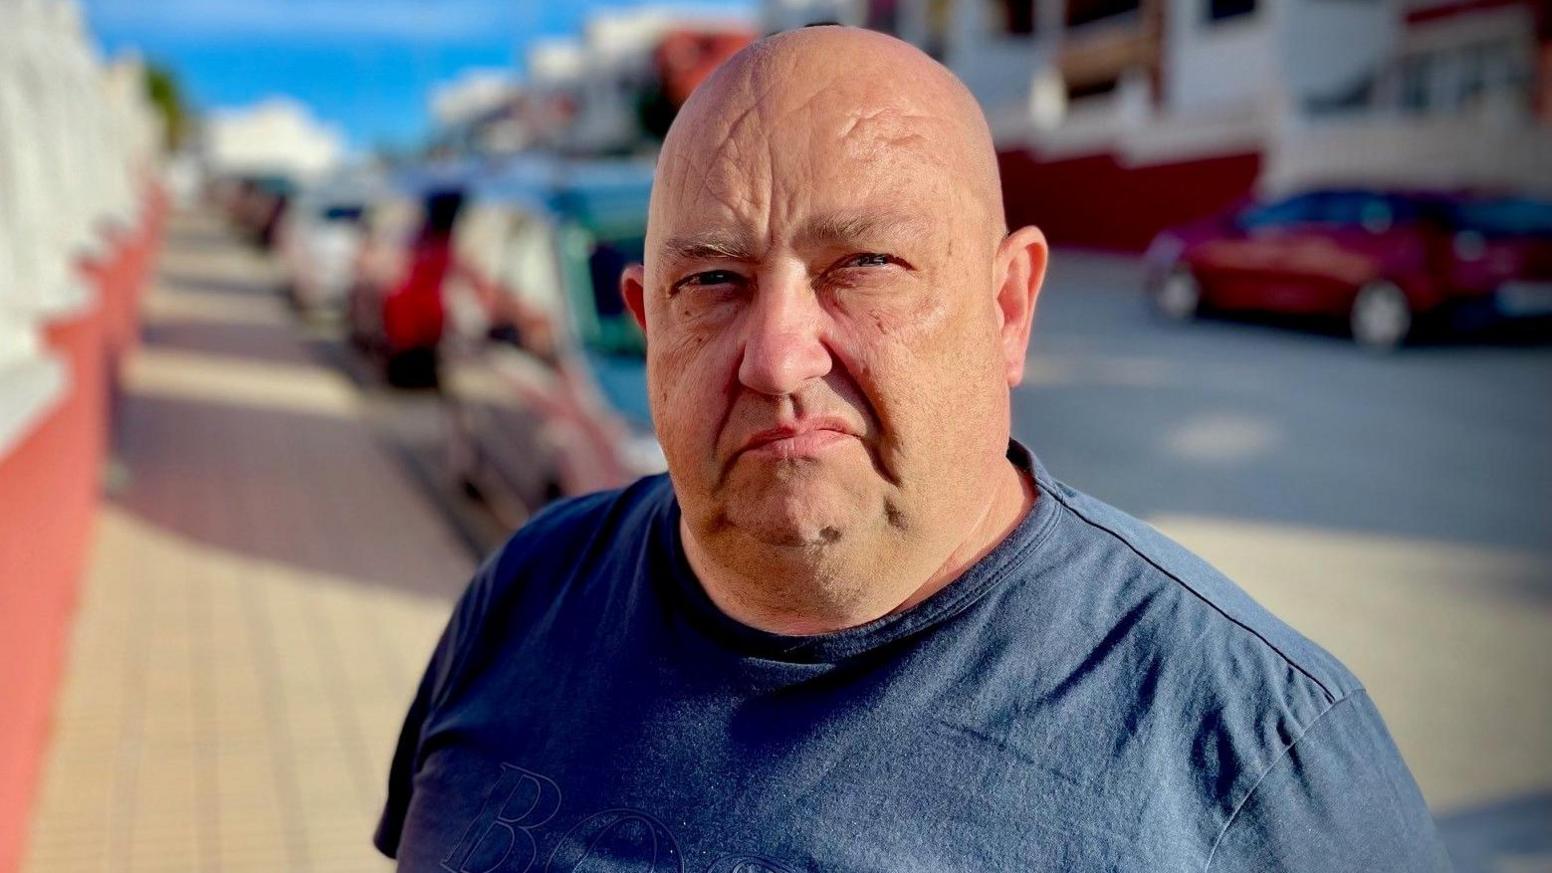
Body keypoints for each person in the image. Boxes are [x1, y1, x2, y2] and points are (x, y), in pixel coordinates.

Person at [377, 27, 1450, 872]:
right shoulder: (526, 592)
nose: (778, 356)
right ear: (647, 322)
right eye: (710, 281)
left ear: (1008, 306)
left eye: (866, 263)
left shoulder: (1253, 754)